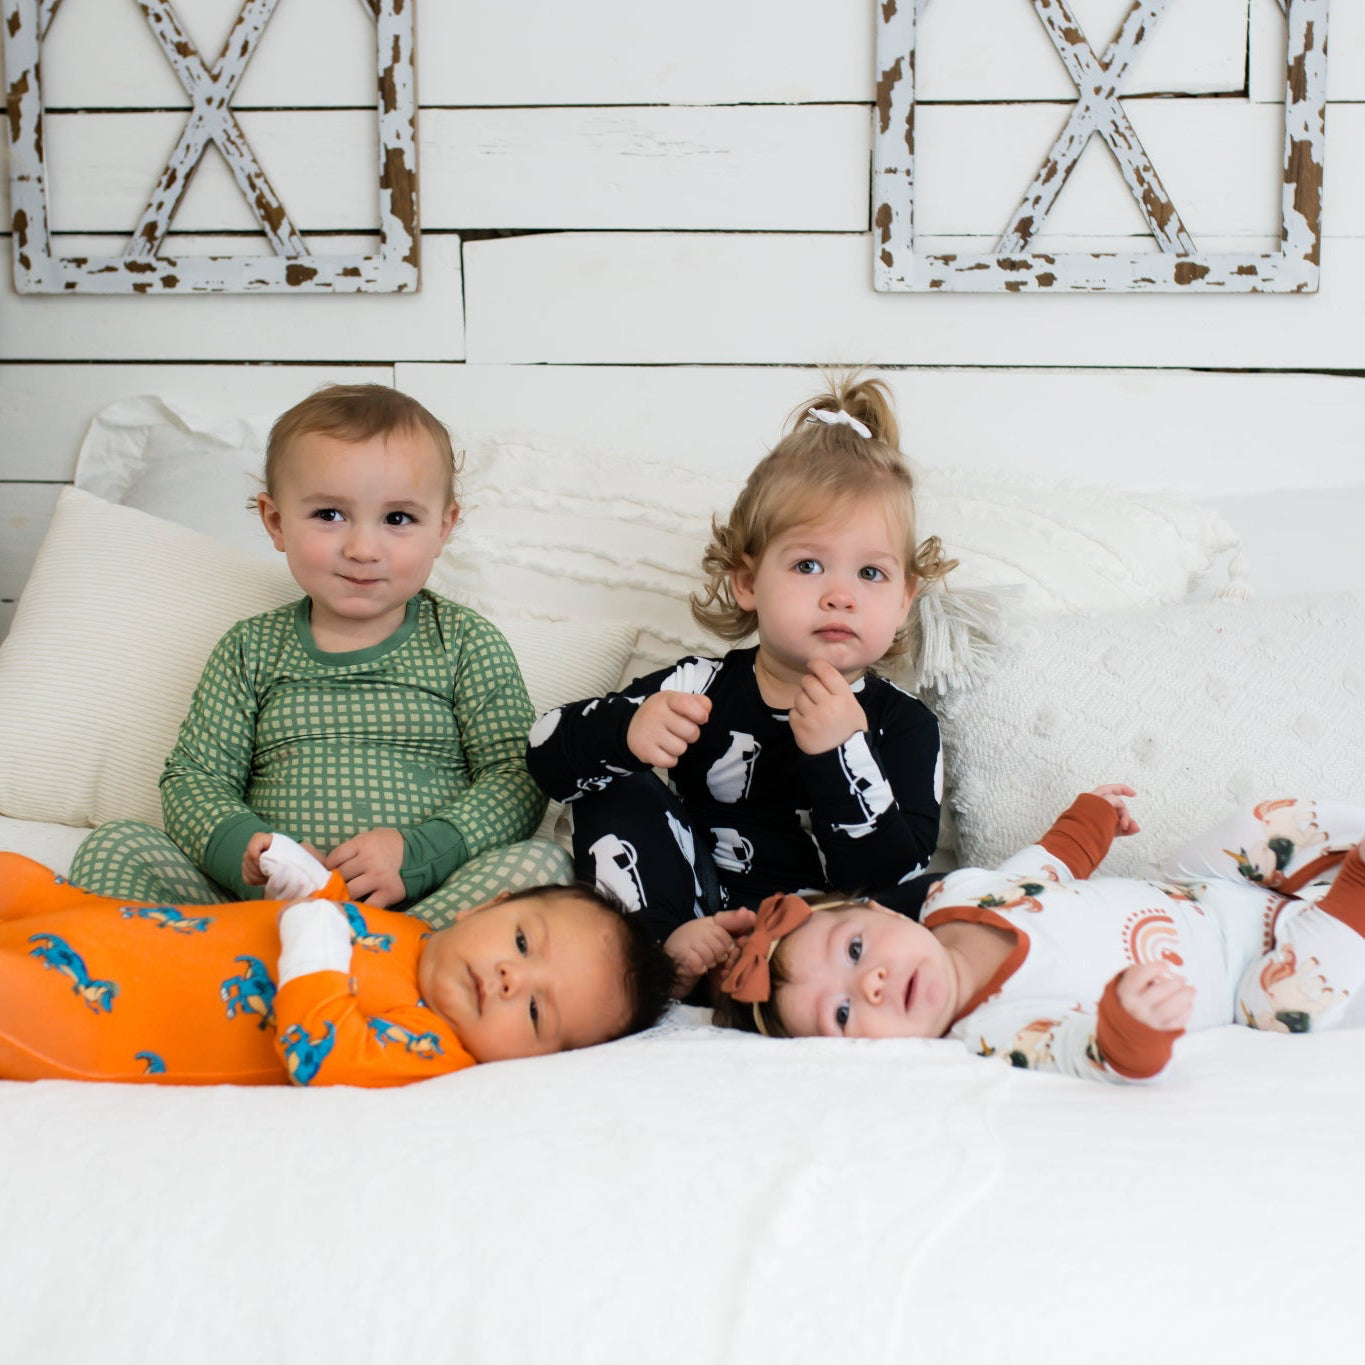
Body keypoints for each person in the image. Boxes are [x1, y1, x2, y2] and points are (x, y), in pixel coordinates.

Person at [69, 384, 568, 929]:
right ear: (276, 522)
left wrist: (420, 853)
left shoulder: (465, 643)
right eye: (330, 514)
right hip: (263, 911)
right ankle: (230, 959)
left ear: (443, 528)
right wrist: (248, 852)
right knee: (117, 845)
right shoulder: (251, 648)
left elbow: (515, 777)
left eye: (398, 518)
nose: (363, 548)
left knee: (543, 868)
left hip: (420, 910)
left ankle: (400, 957)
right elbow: (196, 778)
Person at [525, 374, 954, 994]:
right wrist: (627, 732)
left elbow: (890, 875)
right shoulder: (698, 686)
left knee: (938, 894)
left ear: (904, 598)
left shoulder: (906, 724)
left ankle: (778, 984)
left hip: (826, 944)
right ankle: (665, 959)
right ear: (748, 582)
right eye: (809, 564)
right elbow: (545, 756)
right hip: (694, 911)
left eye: (871, 573)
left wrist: (842, 756)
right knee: (612, 780)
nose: (840, 594)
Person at [715, 788, 1365, 1084]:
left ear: (881, 911)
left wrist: (1091, 819)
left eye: (855, 950)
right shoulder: (990, 1029)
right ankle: (1353, 891)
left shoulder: (954, 895)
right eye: (842, 1012)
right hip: (1255, 976)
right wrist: (1128, 1027)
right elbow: (1081, 1049)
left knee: (1261, 821)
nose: (872, 983)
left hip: (1206, 892)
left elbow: (1044, 866)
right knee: (1289, 1008)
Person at [0, 835, 675, 1086]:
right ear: (482, 906)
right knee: (22, 881)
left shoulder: (432, 1046)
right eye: (523, 943)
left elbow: (320, 1050)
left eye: (534, 1012)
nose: (509, 978)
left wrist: (314, 938)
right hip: (117, 927)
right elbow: (337, 919)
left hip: (99, 1020)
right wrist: (304, 880)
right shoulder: (411, 932)